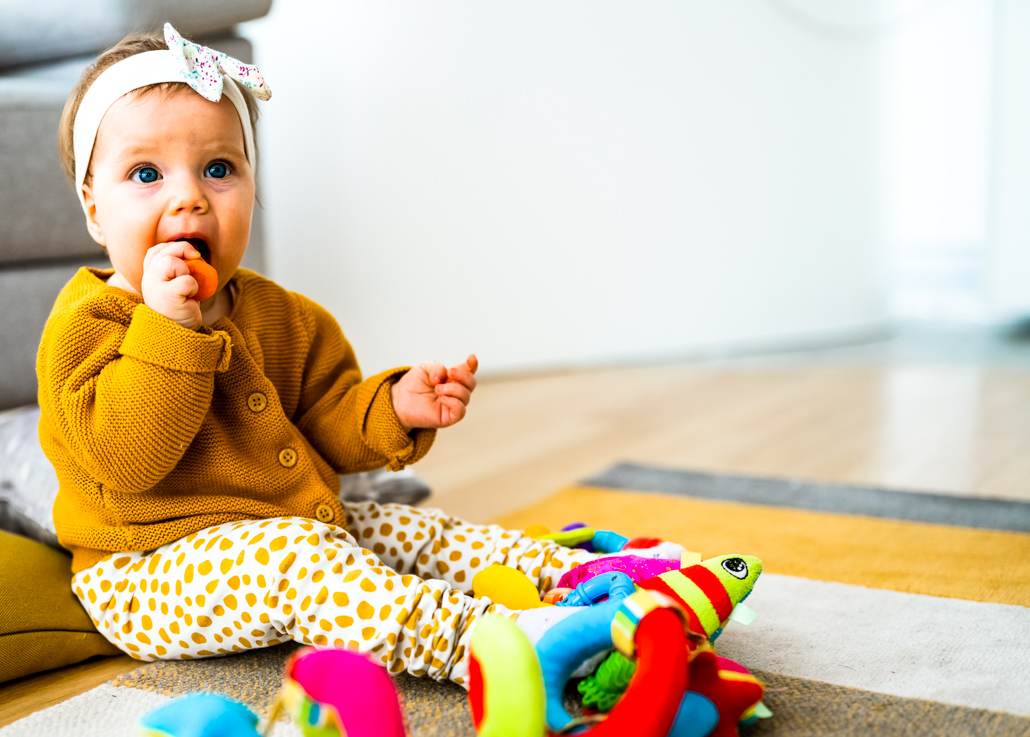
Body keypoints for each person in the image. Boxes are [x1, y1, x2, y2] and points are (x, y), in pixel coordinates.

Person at [36, 25, 657, 685]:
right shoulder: (86, 324)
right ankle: (489, 644)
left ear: (252, 185)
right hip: (144, 574)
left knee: (410, 530)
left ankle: (592, 577)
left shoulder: (287, 316)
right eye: (146, 173)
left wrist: (389, 407)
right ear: (94, 208)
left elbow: (323, 423)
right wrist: (169, 328)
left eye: (220, 168)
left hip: (287, 526)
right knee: (300, 559)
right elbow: (128, 458)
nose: (188, 196)